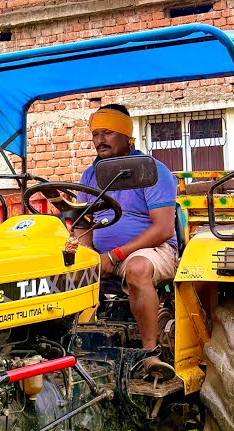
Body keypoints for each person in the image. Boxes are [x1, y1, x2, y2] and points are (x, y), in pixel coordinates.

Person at [77, 104, 179, 377]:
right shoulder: (90, 175)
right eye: (96, 133)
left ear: (127, 136)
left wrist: (115, 256)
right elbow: (83, 223)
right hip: (104, 255)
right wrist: (86, 254)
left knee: (137, 269)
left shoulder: (152, 172)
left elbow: (163, 229)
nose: (100, 140)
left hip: (152, 250)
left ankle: (150, 354)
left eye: (108, 132)